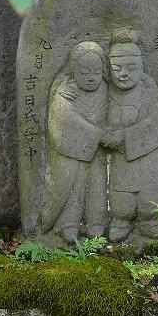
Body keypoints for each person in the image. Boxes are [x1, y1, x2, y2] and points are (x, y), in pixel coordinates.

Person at [101, 30, 158, 242]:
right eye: (117, 68)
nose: (123, 74)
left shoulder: (148, 88)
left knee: (149, 195)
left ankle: (149, 221)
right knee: (122, 197)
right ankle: (121, 220)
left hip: (146, 156)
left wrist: (124, 136)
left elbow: (154, 122)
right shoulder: (106, 90)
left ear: (141, 67)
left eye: (131, 68)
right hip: (120, 159)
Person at [42, 41, 108, 243]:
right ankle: (68, 224)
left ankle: (96, 223)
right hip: (71, 152)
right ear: (73, 71)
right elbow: (63, 118)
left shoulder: (106, 90)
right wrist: (96, 133)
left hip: (98, 152)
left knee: (97, 186)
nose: (91, 77)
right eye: (84, 72)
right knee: (74, 187)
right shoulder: (65, 91)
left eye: (96, 72)